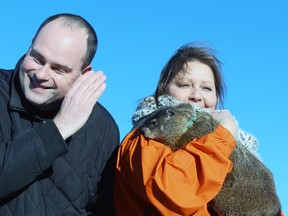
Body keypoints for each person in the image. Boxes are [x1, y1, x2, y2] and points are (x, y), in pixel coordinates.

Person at [114, 42, 261, 215]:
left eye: (206, 88)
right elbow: (174, 192)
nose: (196, 96)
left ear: (216, 97)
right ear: (163, 90)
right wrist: (224, 134)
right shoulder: (151, 132)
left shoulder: (231, 145)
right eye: (185, 85)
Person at [0, 13, 120, 215]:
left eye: (59, 69)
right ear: (30, 46)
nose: (41, 75)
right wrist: (60, 128)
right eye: (37, 59)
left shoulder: (102, 127)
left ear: (84, 73)